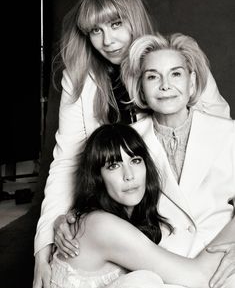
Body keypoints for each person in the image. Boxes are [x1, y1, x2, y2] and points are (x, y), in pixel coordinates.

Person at [33, 0, 231, 287]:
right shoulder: (82, 77)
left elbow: (218, 141)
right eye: (95, 31)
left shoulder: (174, 61)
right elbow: (69, 161)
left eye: (115, 24)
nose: (107, 40)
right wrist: (44, 246)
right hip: (123, 217)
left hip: (188, 224)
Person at [50, 122, 226, 288]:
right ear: (97, 177)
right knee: (144, 281)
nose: (129, 175)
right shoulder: (101, 226)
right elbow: (200, 276)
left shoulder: (126, 216)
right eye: (113, 166)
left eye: (135, 161)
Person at [121, 32, 235, 287]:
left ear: (192, 82)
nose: (165, 85)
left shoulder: (229, 133)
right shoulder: (125, 141)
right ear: (140, 86)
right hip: (159, 266)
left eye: (175, 74)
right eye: (152, 76)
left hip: (221, 261)